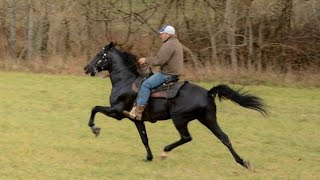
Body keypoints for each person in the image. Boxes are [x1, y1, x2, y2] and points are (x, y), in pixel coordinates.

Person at [124, 25, 184, 120]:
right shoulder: (177, 43)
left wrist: (145, 60)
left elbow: (160, 60)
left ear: (168, 34)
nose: (161, 36)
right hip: (173, 73)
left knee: (146, 84)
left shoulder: (168, 44)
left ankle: (138, 113)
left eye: (162, 34)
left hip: (167, 74)